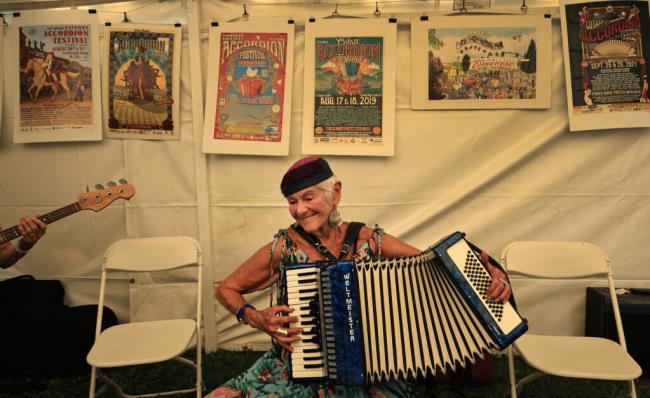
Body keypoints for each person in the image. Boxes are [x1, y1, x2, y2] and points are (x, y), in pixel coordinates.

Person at [207, 156, 511, 398]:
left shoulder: (369, 240)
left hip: (374, 368)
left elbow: (434, 265)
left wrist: (491, 273)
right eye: (292, 201)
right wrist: (256, 317)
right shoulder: (284, 246)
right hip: (298, 364)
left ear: (335, 193)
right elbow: (227, 289)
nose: (299, 210)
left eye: (308, 197)